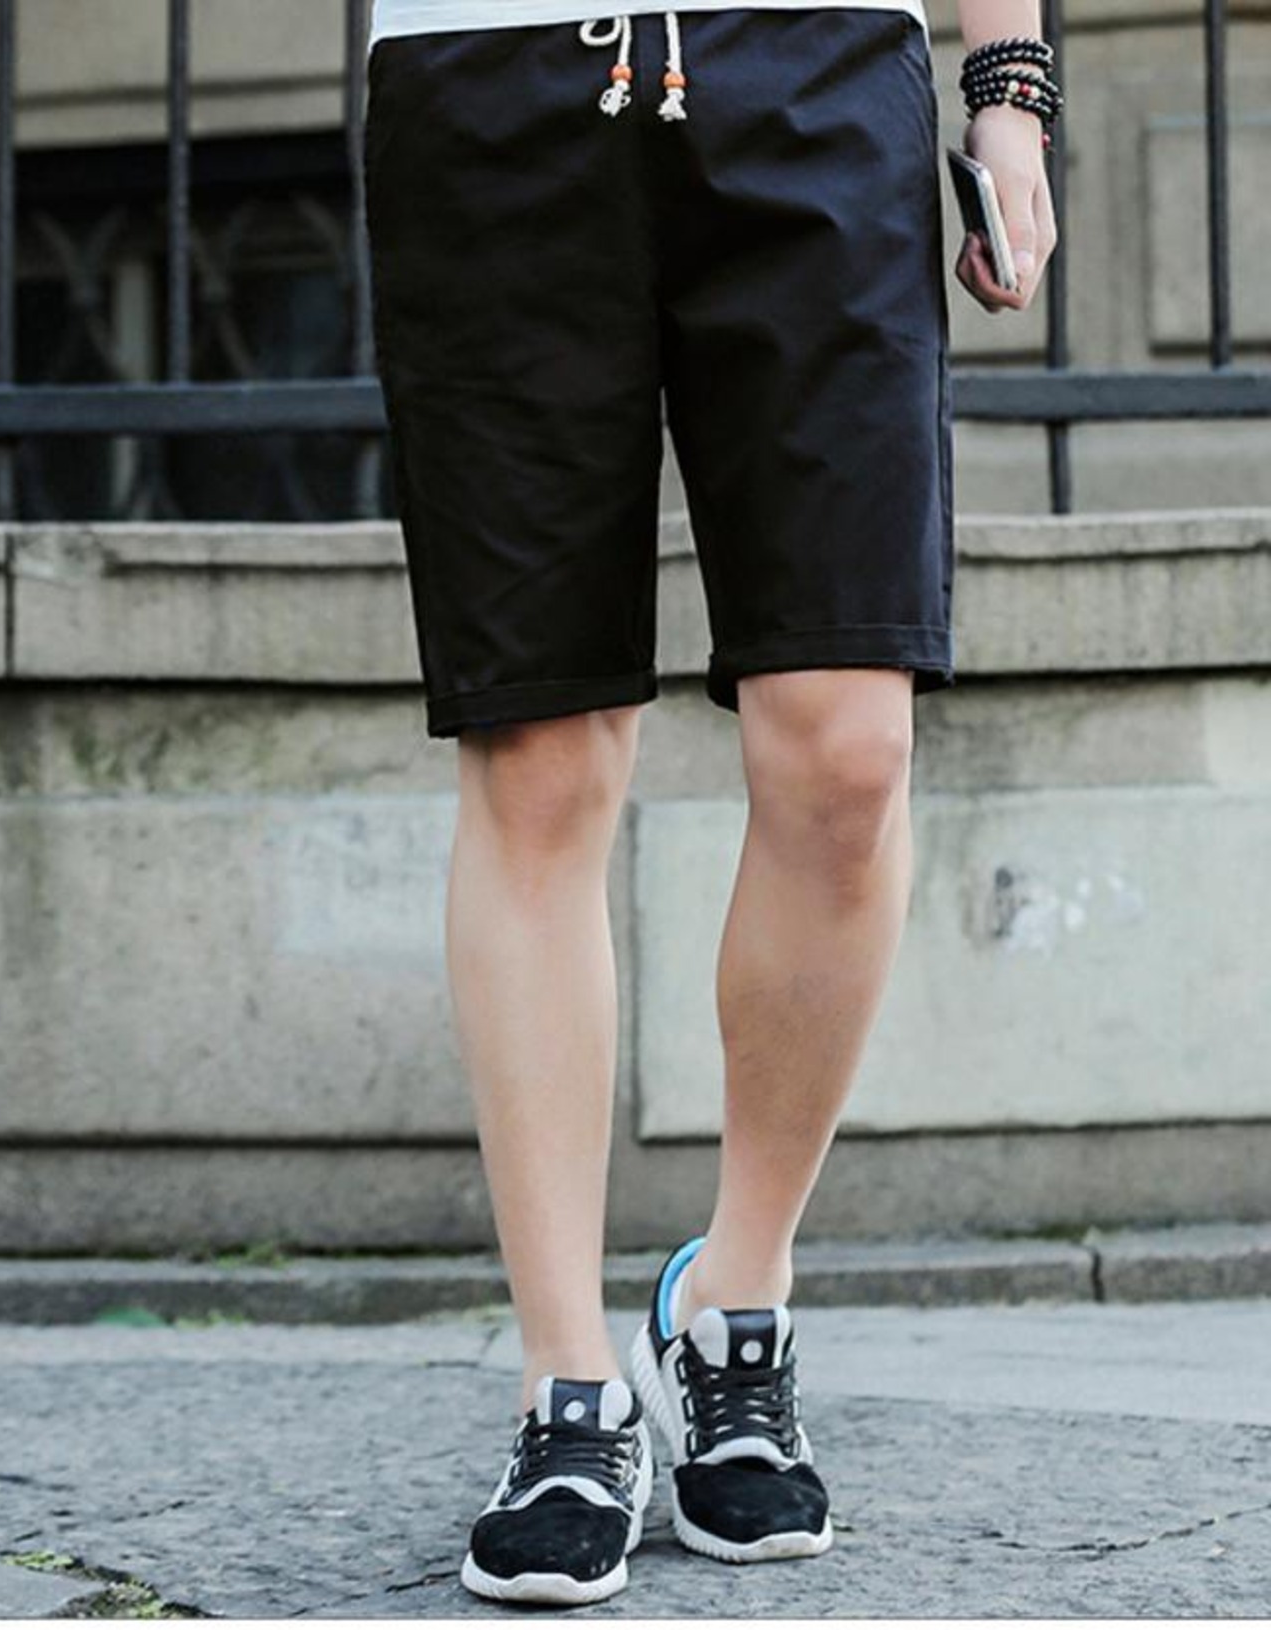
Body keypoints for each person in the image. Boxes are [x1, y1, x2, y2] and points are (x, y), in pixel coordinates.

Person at [362, 0, 1058, 1605]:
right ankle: (567, 1385)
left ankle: (731, 1301)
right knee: (542, 757)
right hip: (489, 76)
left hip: (816, 66)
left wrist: (1009, 83)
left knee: (848, 751)